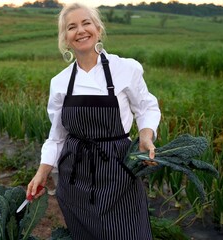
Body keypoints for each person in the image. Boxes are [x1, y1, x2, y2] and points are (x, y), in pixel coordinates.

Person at [26, 3, 161, 240]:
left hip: (118, 174)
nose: (80, 30)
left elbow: (146, 107)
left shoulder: (126, 68)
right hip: (75, 179)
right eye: (72, 27)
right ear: (65, 39)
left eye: (86, 23)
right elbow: (57, 136)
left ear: (98, 28)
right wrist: (42, 172)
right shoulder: (60, 82)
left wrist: (146, 135)